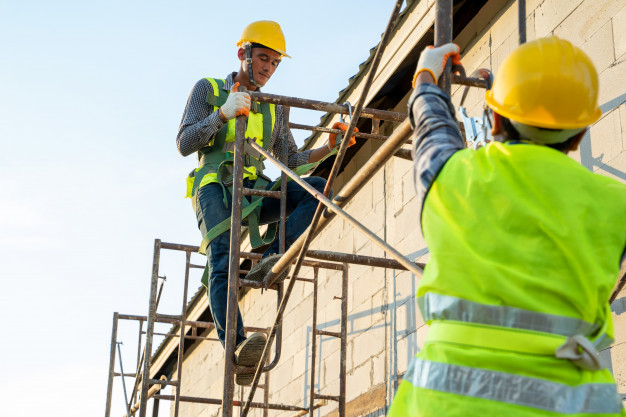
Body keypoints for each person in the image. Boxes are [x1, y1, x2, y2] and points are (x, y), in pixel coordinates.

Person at [387, 38, 626, 416]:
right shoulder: (617, 204)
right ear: (579, 133)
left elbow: (433, 129)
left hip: (443, 405)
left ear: (495, 119)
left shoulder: (454, 176)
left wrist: (425, 79)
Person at [176, 20, 356, 385]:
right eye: (262, 59)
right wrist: (222, 113)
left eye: (275, 63)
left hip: (256, 191)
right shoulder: (208, 89)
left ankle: (273, 256)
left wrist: (329, 147)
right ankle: (240, 347)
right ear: (243, 53)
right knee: (223, 260)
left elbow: (289, 161)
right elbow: (184, 142)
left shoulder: (274, 108)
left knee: (317, 190)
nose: (267, 69)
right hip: (214, 187)